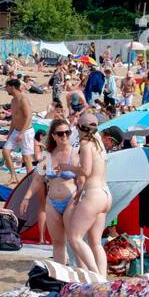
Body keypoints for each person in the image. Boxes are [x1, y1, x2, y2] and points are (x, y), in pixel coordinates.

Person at [21, 118, 77, 263]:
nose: (64, 136)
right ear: (53, 136)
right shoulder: (47, 156)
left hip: (71, 198)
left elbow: (85, 176)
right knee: (57, 242)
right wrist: (26, 197)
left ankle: (79, 275)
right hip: (52, 202)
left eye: (67, 132)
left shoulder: (76, 154)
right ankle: (61, 277)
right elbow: (38, 179)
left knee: (74, 241)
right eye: (60, 133)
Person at [64, 112, 111, 277]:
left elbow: (85, 170)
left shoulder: (85, 144)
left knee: (75, 237)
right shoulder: (98, 140)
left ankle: (96, 276)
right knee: (95, 242)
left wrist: (68, 167)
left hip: (94, 193)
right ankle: (103, 278)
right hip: (105, 193)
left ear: (78, 128)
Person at [1, 77, 33, 184]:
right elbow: (14, 118)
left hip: (26, 131)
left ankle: (31, 181)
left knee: (26, 158)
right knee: (5, 151)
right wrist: (10, 133)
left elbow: (28, 117)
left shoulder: (23, 99)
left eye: (7, 87)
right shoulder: (13, 100)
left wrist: (22, 132)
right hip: (16, 130)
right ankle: (14, 176)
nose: (6, 89)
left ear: (13, 87)